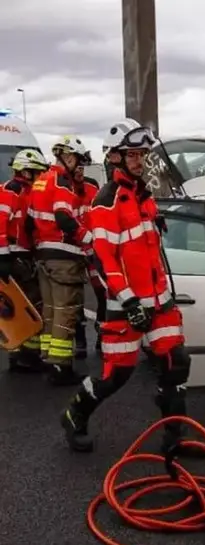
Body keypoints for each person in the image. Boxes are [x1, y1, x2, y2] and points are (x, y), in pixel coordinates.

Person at [60, 119, 197, 456]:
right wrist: (129, 301)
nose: (140, 160)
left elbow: (144, 250)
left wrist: (154, 221)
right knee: (115, 376)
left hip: (159, 302)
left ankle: (175, 439)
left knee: (176, 363)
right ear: (115, 157)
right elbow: (105, 259)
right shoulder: (106, 202)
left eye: (142, 154)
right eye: (132, 154)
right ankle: (75, 415)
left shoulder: (143, 196)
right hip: (127, 306)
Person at [28, 135, 93, 385]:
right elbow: (64, 217)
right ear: (68, 157)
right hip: (64, 256)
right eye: (78, 160)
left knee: (50, 311)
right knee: (66, 313)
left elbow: (30, 221)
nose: (79, 166)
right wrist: (89, 238)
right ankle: (60, 366)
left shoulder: (41, 181)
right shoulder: (62, 181)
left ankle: (48, 359)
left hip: (44, 255)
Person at [0, 148, 50, 373]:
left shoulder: (27, 191)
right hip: (13, 254)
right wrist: (3, 257)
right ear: (25, 171)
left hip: (22, 253)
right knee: (29, 304)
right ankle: (24, 355)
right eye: (36, 173)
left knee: (27, 304)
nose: (39, 177)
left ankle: (25, 353)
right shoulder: (11, 190)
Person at [73, 150, 104, 359]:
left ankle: (102, 334)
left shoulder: (93, 186)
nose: (80, 172)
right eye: (77, 168)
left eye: (82, 168)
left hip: (93, 250)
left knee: (102, 292)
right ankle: (80, 341)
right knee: (75, 298)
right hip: (72, 251)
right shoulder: (63, 187)